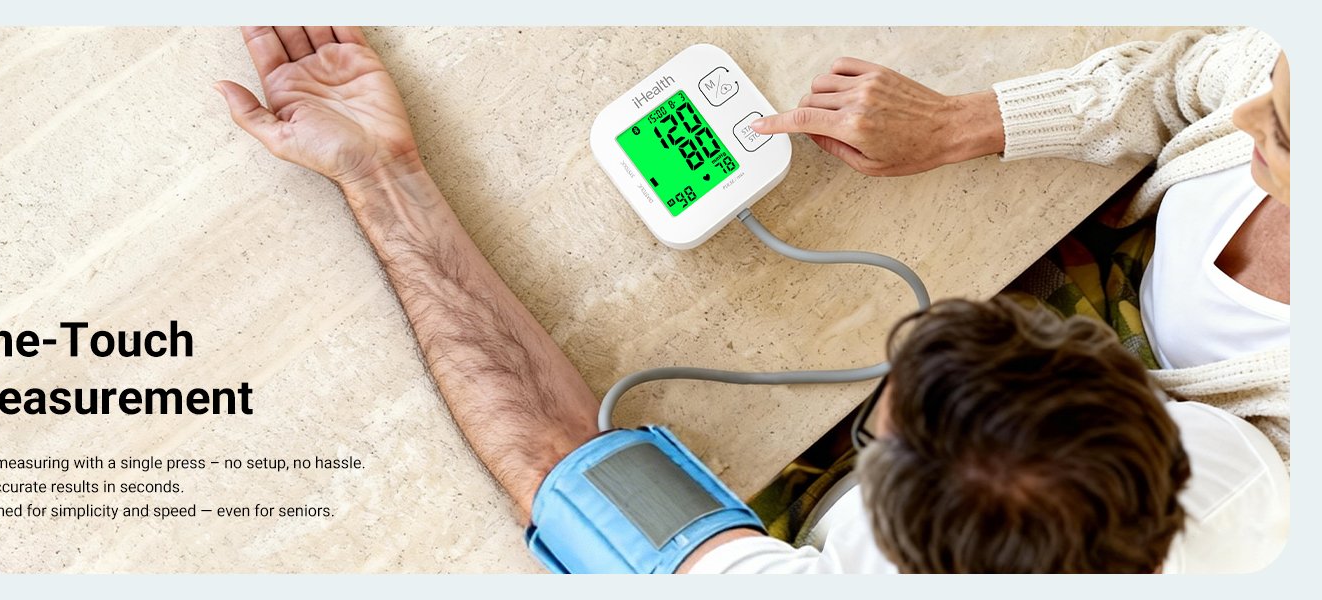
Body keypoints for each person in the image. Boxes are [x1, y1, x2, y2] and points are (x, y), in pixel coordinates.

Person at [215, 26, 1286, 573]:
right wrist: (963, 122)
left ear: (880, 518)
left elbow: (554, 461)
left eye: (882, 418)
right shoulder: (1251, 483)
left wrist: (382, 173)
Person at [750, 27, 1291, 461]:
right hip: (1102, 267)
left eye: (1285, 137)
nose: (1244, 118)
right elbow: (1177, 82)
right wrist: (951, 124)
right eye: (1274, 85)